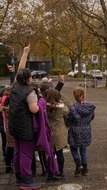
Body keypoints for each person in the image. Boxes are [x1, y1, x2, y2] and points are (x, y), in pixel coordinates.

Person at [9, 44, 41, 189]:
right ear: (28, 79)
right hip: (25, 128)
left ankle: (18, 178)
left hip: (14, 126)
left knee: (18, 152)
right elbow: (34, 110)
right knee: (26, 154)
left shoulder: (15, 85)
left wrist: (25, 53)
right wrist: (42, 104)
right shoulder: (30, 91)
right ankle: (27, 182)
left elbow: (20, 69)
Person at [67, 87, 95, 176]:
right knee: (83, 149)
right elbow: (92, 117)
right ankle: (85, 170)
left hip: (75, 130)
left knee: (73, 148)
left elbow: (69, 120)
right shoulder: (89, 107)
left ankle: (78, 165)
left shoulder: (73, 108)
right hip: (86, 129)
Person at [45, 88, 69, 179]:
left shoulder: (44, 106)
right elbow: (67, 112)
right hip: (59, 132)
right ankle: (60, 172)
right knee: (59, 154)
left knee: (50, 154)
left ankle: (50, 173)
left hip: (48, 132)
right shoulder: (61, 107)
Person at [0, 86, 13, 173]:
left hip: (6, 126)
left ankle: (8, 163)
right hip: (10, 127)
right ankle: (9, 163)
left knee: (9, 145)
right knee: (11, 146)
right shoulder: (9, 101)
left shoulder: (4, 100)